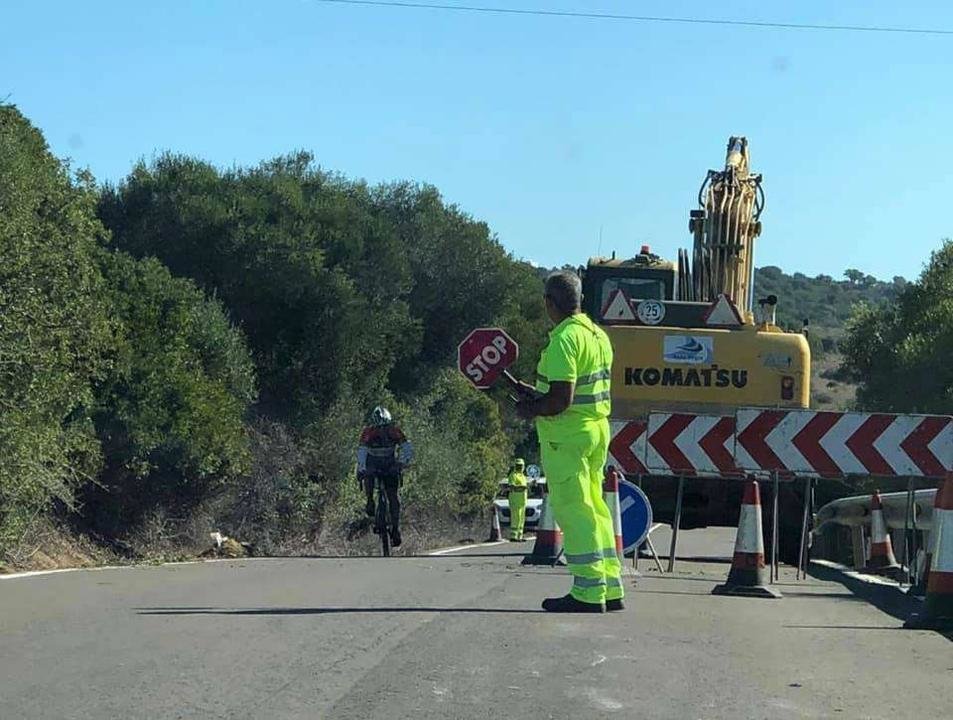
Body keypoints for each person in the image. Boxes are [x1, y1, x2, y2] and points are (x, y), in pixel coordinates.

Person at [514, 270, 623, 613]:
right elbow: (574, 393)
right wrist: (537, 397)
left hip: (568, 437)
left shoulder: (564, 340)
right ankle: (610, 585)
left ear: (549, 302)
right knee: (594, 507)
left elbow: (561, 400)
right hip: (595, 430)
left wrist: (531, 409)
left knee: (574, 511)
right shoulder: (596, 335)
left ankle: (588, 591)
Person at [357, 406, 413, 548]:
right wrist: (362, 468)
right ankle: (370, 500)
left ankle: (395, 528)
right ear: (373, 425)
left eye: (385, 427)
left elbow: (406, 447)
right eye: (378, 427)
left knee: (393, 497)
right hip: (373, 464)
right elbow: (362, 451)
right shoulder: (368, 432)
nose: (382, 431)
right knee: (368, 476)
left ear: (389, 424)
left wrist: (402, 462)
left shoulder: (395, 431)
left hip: (390, 465)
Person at [506, 458, 529, 541]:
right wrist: (522, 488)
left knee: (521, 518)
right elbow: (511, 487)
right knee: (516, 518)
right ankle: (513, 536)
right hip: (515, 500)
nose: (519, 467)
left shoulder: (523, 476)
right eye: (518, 465)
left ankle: (520, 536)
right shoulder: (513, 475)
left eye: (521, 465)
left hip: (522, 501)